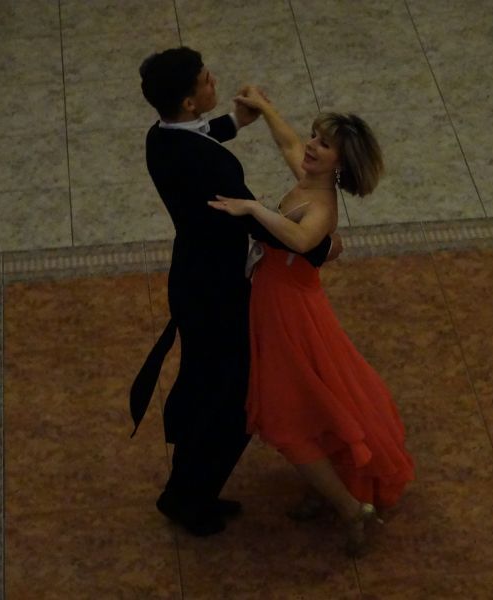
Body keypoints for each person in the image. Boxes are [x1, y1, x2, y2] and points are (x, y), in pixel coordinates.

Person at [129, 47, 340, 537]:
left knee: (207, 387)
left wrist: (235, 122)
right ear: (188, 101)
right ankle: (190, 499)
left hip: (193, 279)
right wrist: (320, 247)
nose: (214, 82)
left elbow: (196, 137)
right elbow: (255, 220)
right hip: (218, 293)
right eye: (206, 80)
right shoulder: (212, 166)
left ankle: (189, 490)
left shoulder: (160, 139)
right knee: (231, 400)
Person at [209, 87, 414, 556]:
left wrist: (253, 207)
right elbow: (287, 143)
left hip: (289, 314)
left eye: (323, 144)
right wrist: (265, 108)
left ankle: (350, 508)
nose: (311, 146)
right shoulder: (308, 182)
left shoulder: (321, 208)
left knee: (284, 419)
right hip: (279, 303)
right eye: (315, 137)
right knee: (307, 406)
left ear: (339, 163)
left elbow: (302, 241)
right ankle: (328, 491)